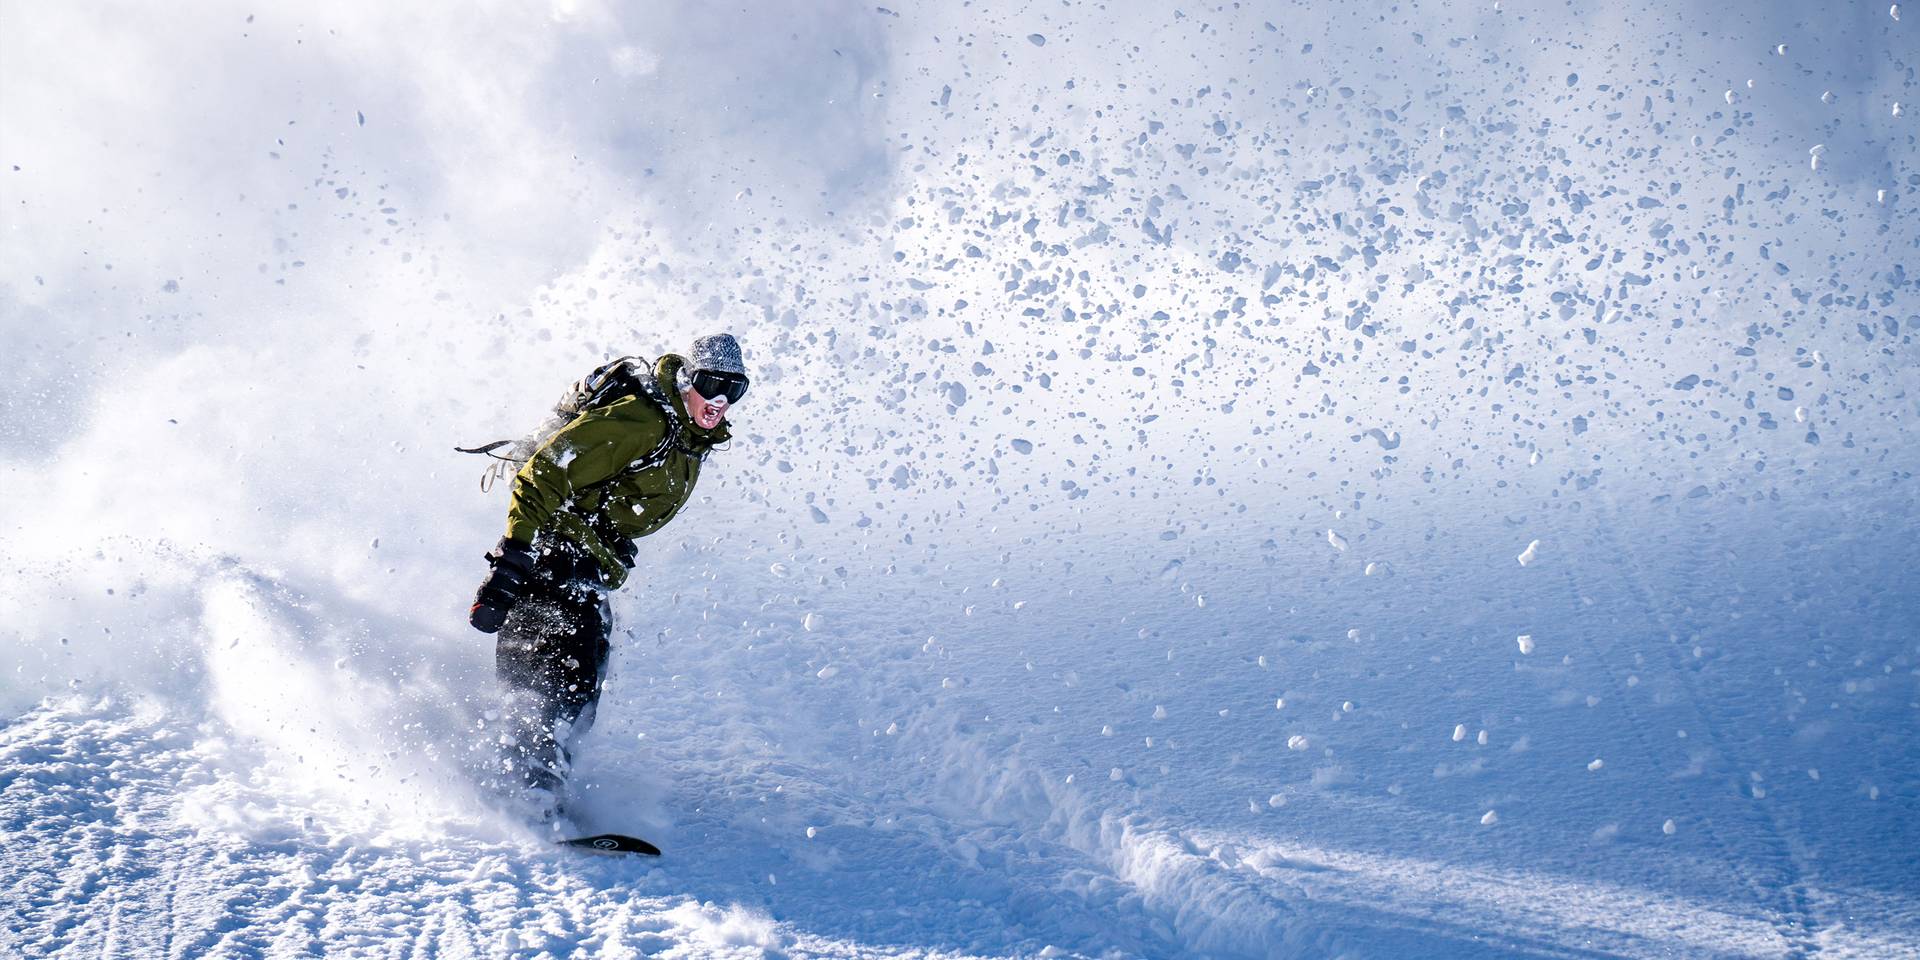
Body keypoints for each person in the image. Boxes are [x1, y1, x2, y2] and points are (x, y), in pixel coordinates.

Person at [467, 334, 749, 799]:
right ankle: (524, 789)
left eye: (734, 389)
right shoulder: (642, 423)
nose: (720, 398)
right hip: (554, 556)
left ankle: (537, 782)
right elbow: (544, 473)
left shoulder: (688, 437)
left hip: (589, 566)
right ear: (686, 380)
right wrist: (511, 560)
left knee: (583, 679)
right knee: (556, 677)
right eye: (710, 382)